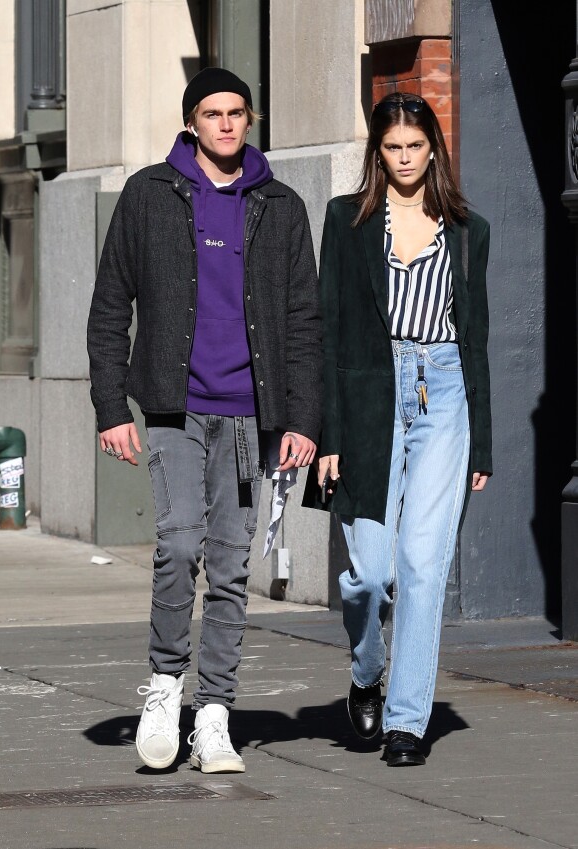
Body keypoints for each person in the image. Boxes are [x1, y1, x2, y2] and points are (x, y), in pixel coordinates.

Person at [87, 68, 321, 774]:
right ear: (191, 122)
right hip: (172, 407)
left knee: (228, 564)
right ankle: (165, 686)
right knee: (179, 544)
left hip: (252, 417)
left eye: (237, 113)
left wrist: (302, 418)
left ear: (250, 121)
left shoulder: (280, 206)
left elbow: (304, 323)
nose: (225, 124)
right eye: (212, 114)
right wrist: (108, 408)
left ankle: (213, 711)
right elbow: (108, 310)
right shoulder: (148, 196)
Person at [310, 91, 491, 766]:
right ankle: (366, 672)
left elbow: (476, 340)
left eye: (416, 145)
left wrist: (486, 442)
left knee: (422, 565)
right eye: (393, 146)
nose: (406, 157)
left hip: (444, 394)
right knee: (366, 575)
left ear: (433, 149)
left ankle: (407, 722)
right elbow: (326, 329)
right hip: (368, 397)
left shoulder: (468, 229)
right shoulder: (346, 220)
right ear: (377, 152)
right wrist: (326, 432)